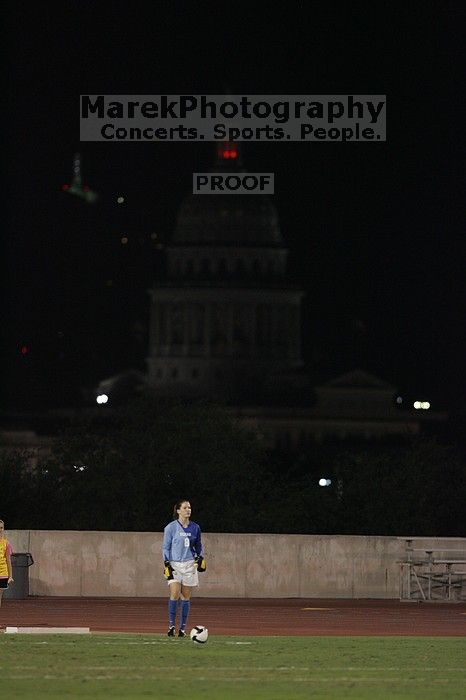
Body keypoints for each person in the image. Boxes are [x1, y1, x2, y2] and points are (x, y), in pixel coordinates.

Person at [162, 500, 206, 638]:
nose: (188, 510)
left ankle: (182, 629)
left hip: (189, 565)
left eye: (190, 507)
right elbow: (166, 546)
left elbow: (198, 545)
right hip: (174, 564)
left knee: (186, 597)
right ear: (178, 510)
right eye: (185, 507)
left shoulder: (195, 528)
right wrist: (166, 563)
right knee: (175, 593)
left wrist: (200, 557)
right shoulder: (171, 528)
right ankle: (171, 626)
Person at [0, 520, 14, 607]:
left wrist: (10, 576)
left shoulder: (6, 543)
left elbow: (8, 560)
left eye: (1, 528)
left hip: (2, 574)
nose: (0, 530)